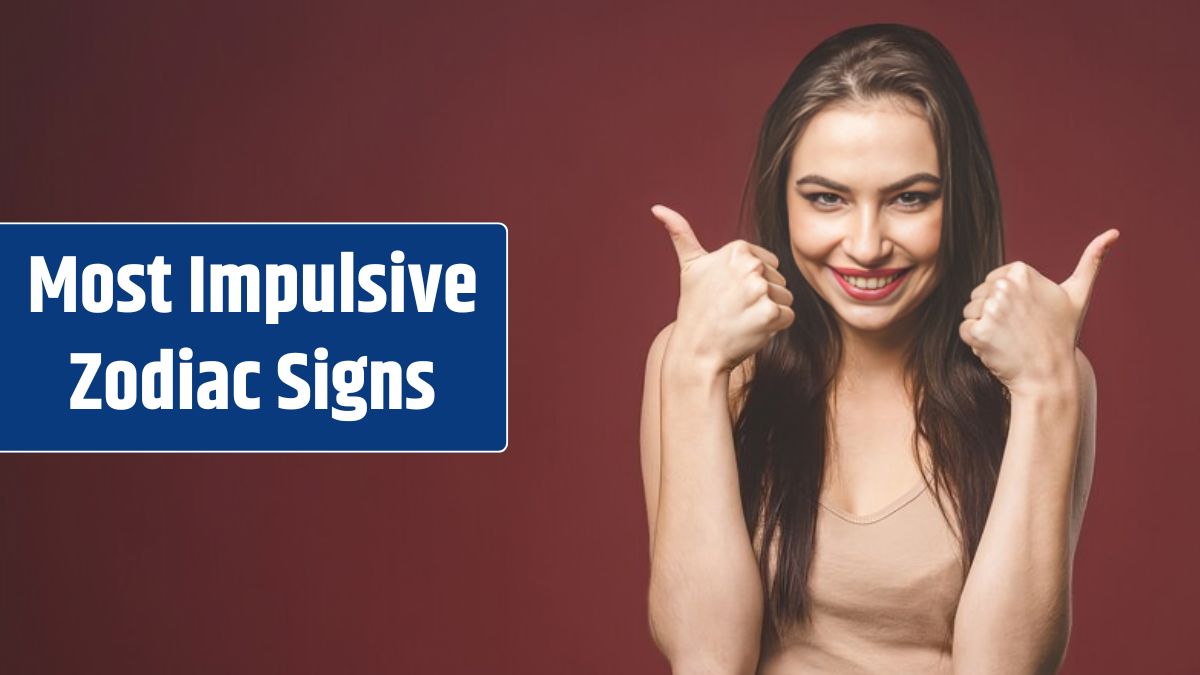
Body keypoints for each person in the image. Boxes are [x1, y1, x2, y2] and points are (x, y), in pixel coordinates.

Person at [639, 23, 1117, 675]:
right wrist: (694, 367)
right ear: (784, 201)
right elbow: (706, 656)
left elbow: (1007, 667)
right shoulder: (703, 362)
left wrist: (1046, 389)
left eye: (909, 198)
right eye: (827, 198)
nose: (866, 245)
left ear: (961, 203)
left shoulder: (1043, 379)